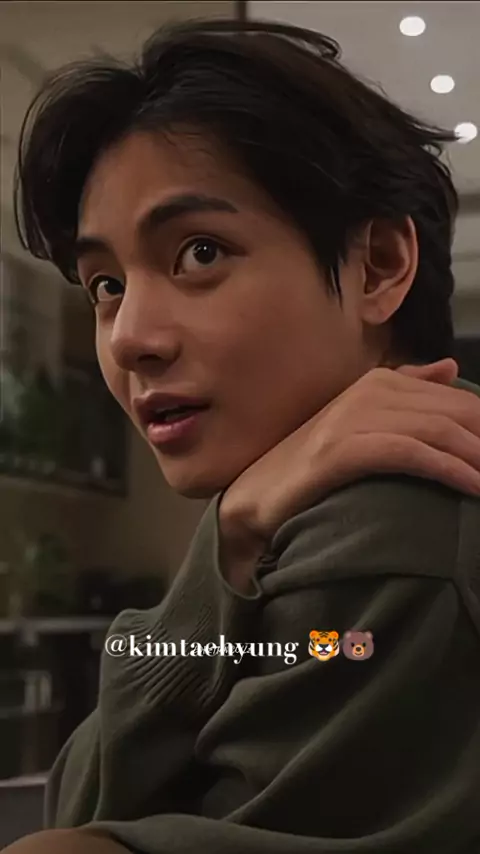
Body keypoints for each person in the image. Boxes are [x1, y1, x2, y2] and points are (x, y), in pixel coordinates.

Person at [7, 18, 480, 854]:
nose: (128, 337)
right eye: (106, 284)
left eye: (199, 253)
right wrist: (231, 533)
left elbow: (76, 824)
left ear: (377, 265)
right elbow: (84, 799)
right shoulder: (294, 515)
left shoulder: (392, 514)